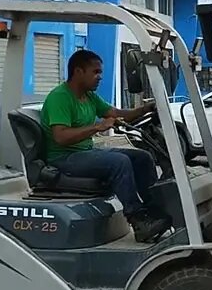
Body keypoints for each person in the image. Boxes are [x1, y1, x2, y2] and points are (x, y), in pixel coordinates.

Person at [41, 49, 170, 243]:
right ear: (78, 72)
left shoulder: (89, 96)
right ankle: (137, 220)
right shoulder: (60, 97)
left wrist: (146, 108)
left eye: (100, 72)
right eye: (95, 72)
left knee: (142, 157)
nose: (100, 77)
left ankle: (154, 212)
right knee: (119, 162)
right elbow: (61, 137)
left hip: (84, 152)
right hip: (63, 158)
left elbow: (115, 113)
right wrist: (97, 127)